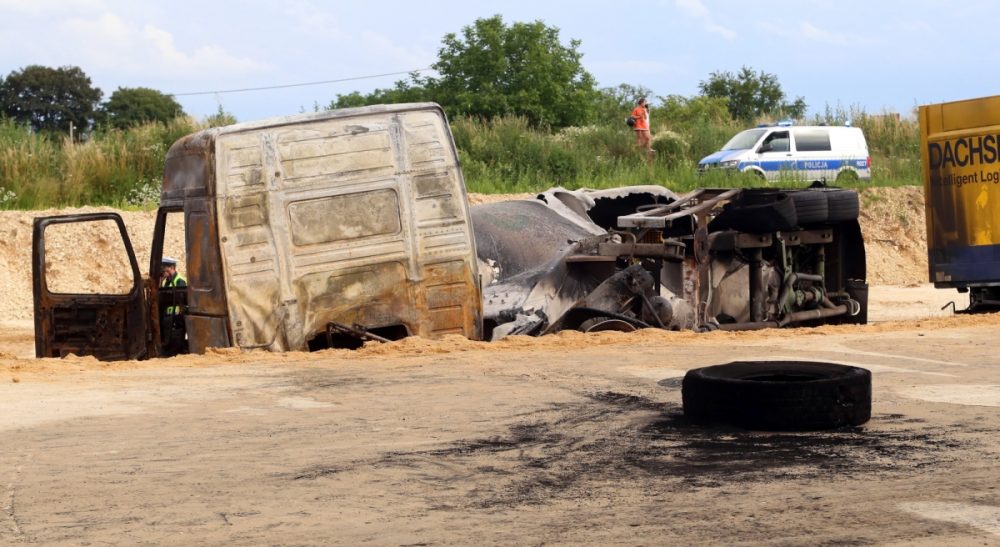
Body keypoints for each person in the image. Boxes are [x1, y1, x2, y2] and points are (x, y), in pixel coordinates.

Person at [159, 256, 187, 356]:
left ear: (171, 267)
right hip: (168, 318)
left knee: (176, 342)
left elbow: (182, 300)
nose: (162, 270)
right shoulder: (165, 281)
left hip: (177, 318)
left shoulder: (180, 280)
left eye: (164, 268)